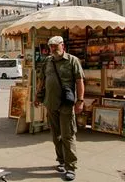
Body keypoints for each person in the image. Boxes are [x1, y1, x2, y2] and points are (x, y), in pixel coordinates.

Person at [35, 36, 85, 181]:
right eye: (51, 46)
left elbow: (80, 81)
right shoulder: (47, 61)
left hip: (66, 104)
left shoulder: (72, 61)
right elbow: (42, 80)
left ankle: (71, 167)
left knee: (67, 136)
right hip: (50, 103)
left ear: (62, 45)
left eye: (56, 46)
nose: (53, 49)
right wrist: (38, 96)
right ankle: (61, 161)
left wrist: (80, 101)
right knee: (56, 135)